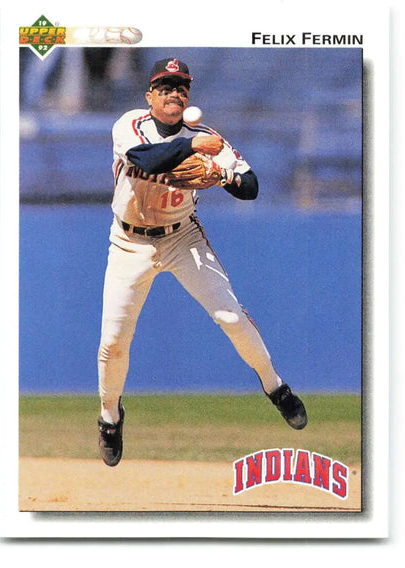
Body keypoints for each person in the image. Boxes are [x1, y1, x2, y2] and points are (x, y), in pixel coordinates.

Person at [97, 58, 307, 467]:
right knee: (113, 342)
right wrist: (193, 149)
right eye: (165, 86)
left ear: (188, 96)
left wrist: (221, 174)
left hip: (182, 237)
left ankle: (276, 387)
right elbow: (144, 161)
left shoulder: (207, 137)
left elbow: (251, 187)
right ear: (149, 95)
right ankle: (109, 417)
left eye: (181, 87)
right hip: (128, 242)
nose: (174, 93)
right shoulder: (131, 124)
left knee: (230, 316)